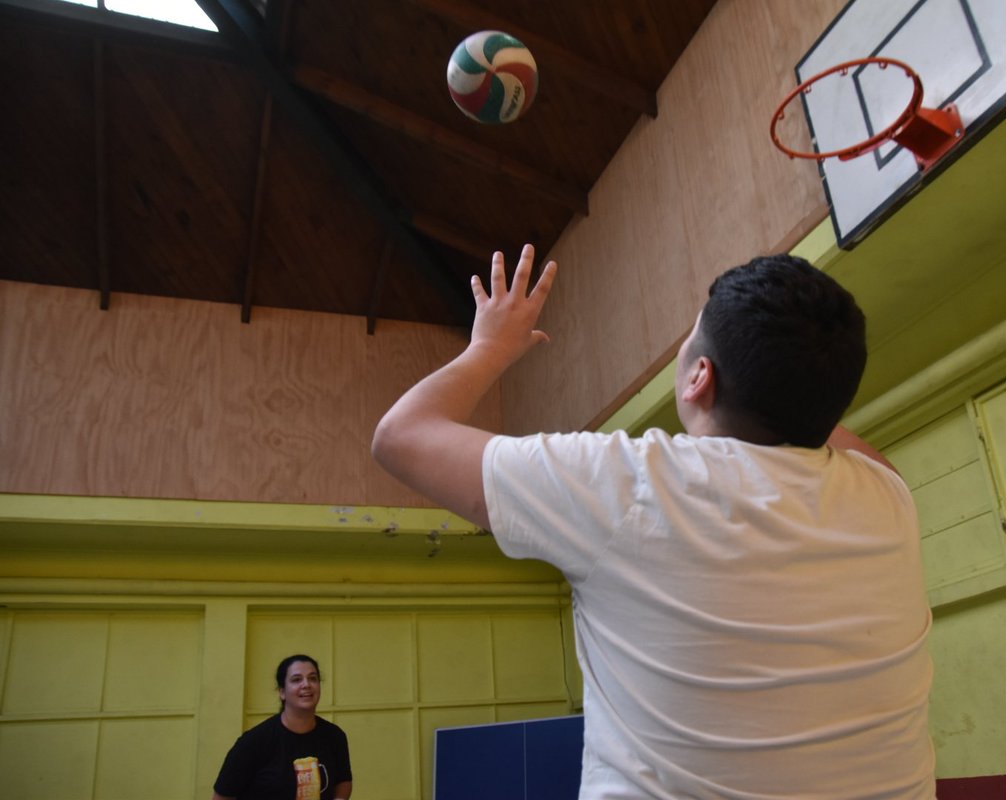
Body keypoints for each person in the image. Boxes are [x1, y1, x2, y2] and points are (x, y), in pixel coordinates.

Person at [372, 244, 935, 799]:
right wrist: (795, 375)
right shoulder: (886, 496)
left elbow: (401, 436)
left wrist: (490, 346)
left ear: (699, 378)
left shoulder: (631, 486)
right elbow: (813, 418)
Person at [213, 654, 352, 800]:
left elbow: (343, 781)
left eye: (313, 678)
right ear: (282, 692)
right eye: (296, 679)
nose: (306, 684)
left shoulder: (334, 736)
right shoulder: (253, 742)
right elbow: (221, 796)